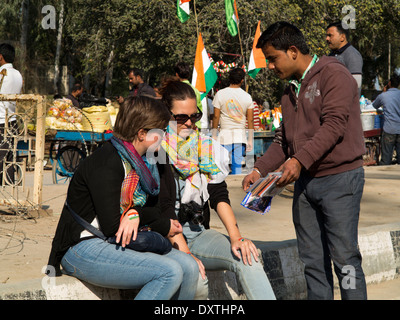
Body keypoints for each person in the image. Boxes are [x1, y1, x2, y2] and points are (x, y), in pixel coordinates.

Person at [243, 21, 367, 300]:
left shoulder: (334, 74)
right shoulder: (289, 91)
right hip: (305, 185)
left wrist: (299, 161)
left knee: (345, 259)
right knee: (311, 261)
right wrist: (260, 169)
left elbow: (334, 125)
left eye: (273, 59)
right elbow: (283, 141)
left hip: (340, 180)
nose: (270, 67)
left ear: (293, 50)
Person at [46, 95, 199, 300]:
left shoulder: (148, 161)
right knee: (168, 272)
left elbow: (156, 208)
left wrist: (134, 212)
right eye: (161, 131)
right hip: (83, 247)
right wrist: (139, 216)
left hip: (118, 242)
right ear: (142, 133)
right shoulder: (107, 162)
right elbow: (112, 226)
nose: (165, 135)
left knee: (189, 267)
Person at [157, 79, 276, 300]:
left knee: (248, 257)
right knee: (197, 280)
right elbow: (161, 208)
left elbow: (219, 195)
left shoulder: (206, 147)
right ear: (167, 115)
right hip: (165, 236)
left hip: (197, 232)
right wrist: (186, 255)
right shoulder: (156, 149)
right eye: (181, 117)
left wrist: (236, 237)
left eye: (195, 116)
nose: (189, 123)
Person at [212, 68, 254, 174]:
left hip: (223, 136)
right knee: (237, 167)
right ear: (242, 80)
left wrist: (214, 134)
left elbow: (216, 117)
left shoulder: (220, 94)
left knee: (222, 166)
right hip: (240, 136)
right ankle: (236, 188)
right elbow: (250, 120)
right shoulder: (247, 97)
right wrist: (250, 139)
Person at [0, 43, 23, 185]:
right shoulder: (18, 74)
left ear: (0, 57)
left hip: (1, 120)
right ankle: (8, 193)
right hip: (13, 120)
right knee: (9, 160)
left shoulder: (2, 74)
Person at [326, 21, 363, 95]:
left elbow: (356, 85)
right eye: (326, 36)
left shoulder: (352, 55)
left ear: (342, 37)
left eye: (330, 35)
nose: (327, 38)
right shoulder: (331, 55)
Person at [372, 74, 400, 165]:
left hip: (389, 129)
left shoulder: (383, 96)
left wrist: (383, 92)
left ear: (389, 83)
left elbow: (374, 106)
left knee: (386, 159)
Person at [174, 61, 204, 128]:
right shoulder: (195, 90)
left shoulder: (175, 90)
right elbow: (199, 109)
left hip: (179, 128)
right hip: (195, 126)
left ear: (176, 74)